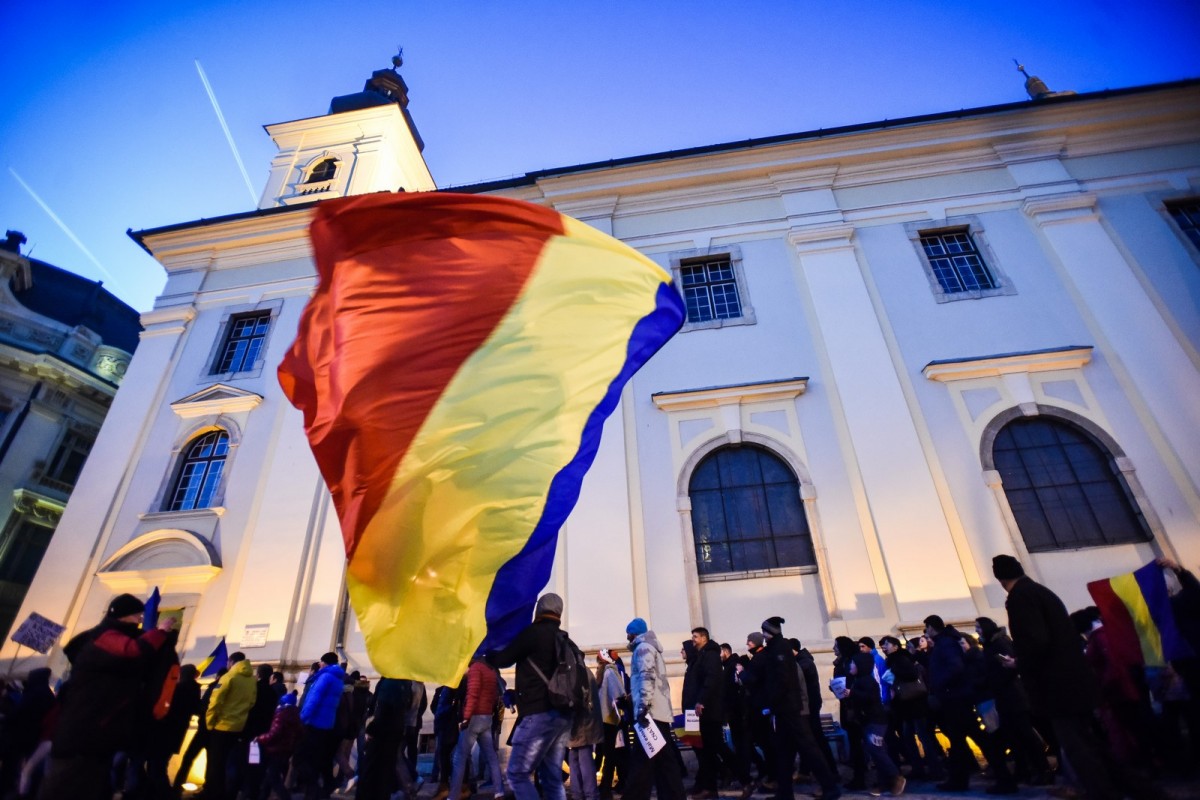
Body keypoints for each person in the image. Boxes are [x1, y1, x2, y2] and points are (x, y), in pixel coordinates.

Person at [993, 554, 1157, 800]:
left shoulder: (1021, 598)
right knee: (1091, 744)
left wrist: (1021, 663)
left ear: (999, 577)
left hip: (1057, 685)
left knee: (1077, 746)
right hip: (1072, 680)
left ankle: (1103, 793)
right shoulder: (1040, 592)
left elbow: (1035, 641)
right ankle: (1138, 789)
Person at [38, 592, 177, 800]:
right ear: (123, 615)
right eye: (137, 615)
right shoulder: (105, 636)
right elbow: (134, 651)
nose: (140, 620)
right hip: (85, 731)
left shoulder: (106, 638)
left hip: (99, 733)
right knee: (66, 785)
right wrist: (160, 632)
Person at [486, 592, 577, 800]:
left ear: (539, 609)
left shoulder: (533, 633)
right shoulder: (563, 638)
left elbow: (504, 659)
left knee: (517, 773)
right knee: (552, 778)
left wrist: (488, 653)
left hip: (539, 713)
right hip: (562, 714)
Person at [760, 616, 840, 800]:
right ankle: (785, 792)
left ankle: (830, 787)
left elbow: (783, 680)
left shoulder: (779, 649)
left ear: (769, 632)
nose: (764, 635)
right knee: (784, 751)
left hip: (789, 709)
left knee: (808, 747)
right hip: (784, 708)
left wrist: (772, 702)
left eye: (765, 631)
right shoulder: (777, 648)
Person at [974, 617, 1051, 786]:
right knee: (1014, 737)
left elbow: (1010, 668)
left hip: (1013, 696)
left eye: (978, 627)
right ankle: (1023, 770)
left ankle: (1042, 769)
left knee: (1026, 735)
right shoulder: (989, 645)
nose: (976, 630)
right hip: (1004, 697)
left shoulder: (999, 644)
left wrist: (993, 681)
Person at [622, 617, 684, 800]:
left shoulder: (643, 649)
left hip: (651, 713)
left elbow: (646, 677)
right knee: (663, 761)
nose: (627, 638)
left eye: (628, 634)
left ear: (633, 634)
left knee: (642, 761)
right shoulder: (651, 647)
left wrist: (642, 706)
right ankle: (673, 795)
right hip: (658, 711)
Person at [683, 627, 750, 799]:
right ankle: (710, 788)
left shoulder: (710, 655)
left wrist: (701, 701)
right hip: (703, 712)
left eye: (695, 637)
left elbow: (710, 680)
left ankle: (746, 780)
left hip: (710, 712)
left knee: (719, 748)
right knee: (708, 752)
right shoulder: (702, 656)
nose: (693, 640)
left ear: (704, 638)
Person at [449, 656, 508, 800]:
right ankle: (499, 791)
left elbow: (473, 694)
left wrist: (466, 718)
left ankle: (453, 796)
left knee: (459, 757)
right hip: (487, 717)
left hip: (474, 717)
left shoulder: (476, 669)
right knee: (491, 756)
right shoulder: (491, 671)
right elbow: (494, 696)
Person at [204, 651, 257, 800]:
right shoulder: (252, 680)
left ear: (231, 662)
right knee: (231, 763)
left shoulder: (228, 677)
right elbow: (251, 702)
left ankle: (215, 795)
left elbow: (215, 702)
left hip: (221, 726)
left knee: (216, 765)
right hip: (239, 727)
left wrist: (210, 723)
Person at [295, 652, 348, 800]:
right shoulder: (338, 679)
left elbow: (313, 699)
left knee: (300, 759)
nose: (320, 664)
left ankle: (314, 791)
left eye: (321, 662)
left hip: (313, 723)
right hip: (327, 724)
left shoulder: (325, 677)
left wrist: (302, 718)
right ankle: (319, 790)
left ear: (325, 662)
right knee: (317, 760)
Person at [356, 678, 419, 800]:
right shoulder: (405, 683)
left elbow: (383, 709)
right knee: (385, 774)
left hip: (382, 733)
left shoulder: (390, 682)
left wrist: (371, 730)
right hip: (395, 731)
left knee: (372, 774)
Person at [147, 663, 200, 800]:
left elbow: (165, 707)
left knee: (156, 766)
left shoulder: (178, 689)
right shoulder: (195, 690)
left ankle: (164, 794)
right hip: (178, 733)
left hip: (165, 731)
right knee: (160, 764)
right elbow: (196, 709)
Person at [255, 693, 305, 800]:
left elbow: (273, 734)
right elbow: (300, 733)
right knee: (269, 776)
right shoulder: (296, 715)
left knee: (273, 777)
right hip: (287, 749)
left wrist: (260, 738)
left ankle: (285, 797)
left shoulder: (281, 715)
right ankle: (262, 796)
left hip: (276, 749)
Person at [595, 649, 626, 800]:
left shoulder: (602, 674)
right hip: (610, 719)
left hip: (602, 719)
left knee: (607, 754)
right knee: (611, 755)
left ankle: (605, 786)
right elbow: (618, 695)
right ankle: (606, 788)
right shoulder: (610, 672)